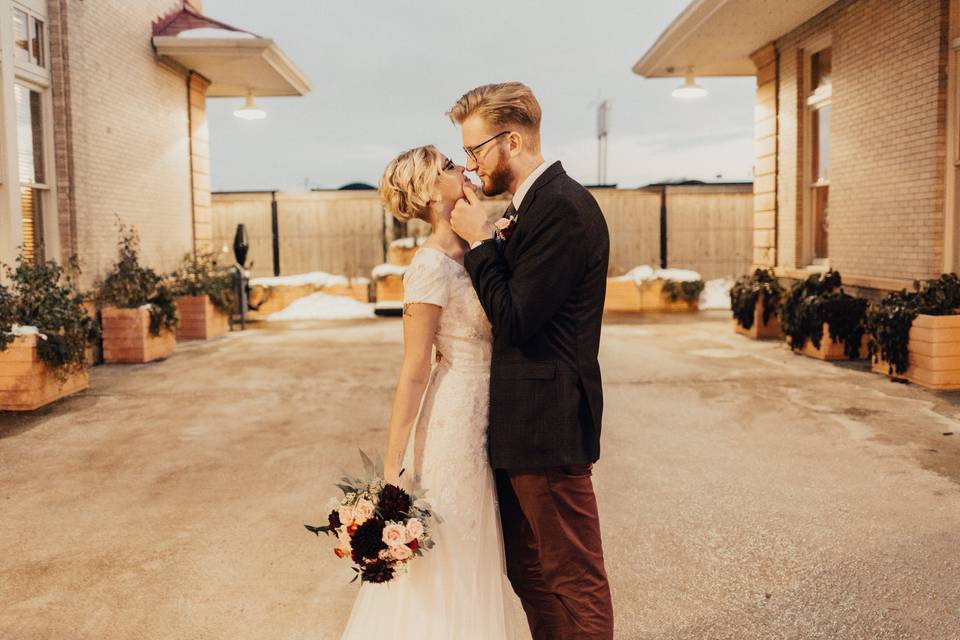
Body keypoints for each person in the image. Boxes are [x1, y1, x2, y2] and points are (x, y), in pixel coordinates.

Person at [447, 82, 614, 640]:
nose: (471, 166)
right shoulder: (531, 207)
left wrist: (479, 246)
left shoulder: (563, 208)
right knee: (531, 571)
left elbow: (517, 316)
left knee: (572, 577)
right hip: (522, 426)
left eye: (474, 150)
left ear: (511, 141)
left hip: (550, 424)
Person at [339, 145, 521, 639]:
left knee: (482, 539)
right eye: (446, 166)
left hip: (496, 405)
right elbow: (416, 369)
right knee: (455, 541)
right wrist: (393, 467)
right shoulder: (429, 266)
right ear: (425, 190)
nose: (461, 167)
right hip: (455, 418)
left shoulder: (488, 247)